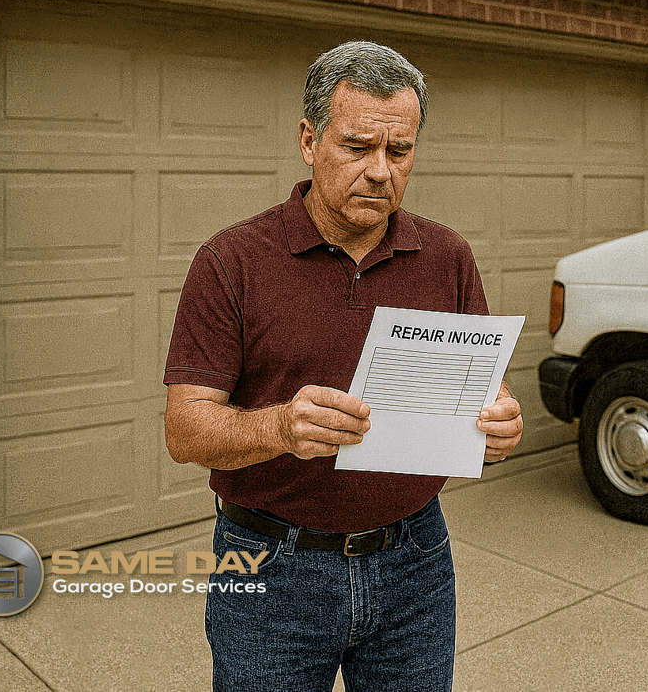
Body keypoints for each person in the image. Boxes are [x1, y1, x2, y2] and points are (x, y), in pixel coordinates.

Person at [163, 41, 523, 691]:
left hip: (415, 559)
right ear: (308, 139)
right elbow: (184, 429)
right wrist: (278, 428)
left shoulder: (448, 257)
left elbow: (484, 388)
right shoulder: (230, 261)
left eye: (400, 150)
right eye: (357, 147)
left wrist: (498, 419)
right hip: (270, 564)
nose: (381, 170)